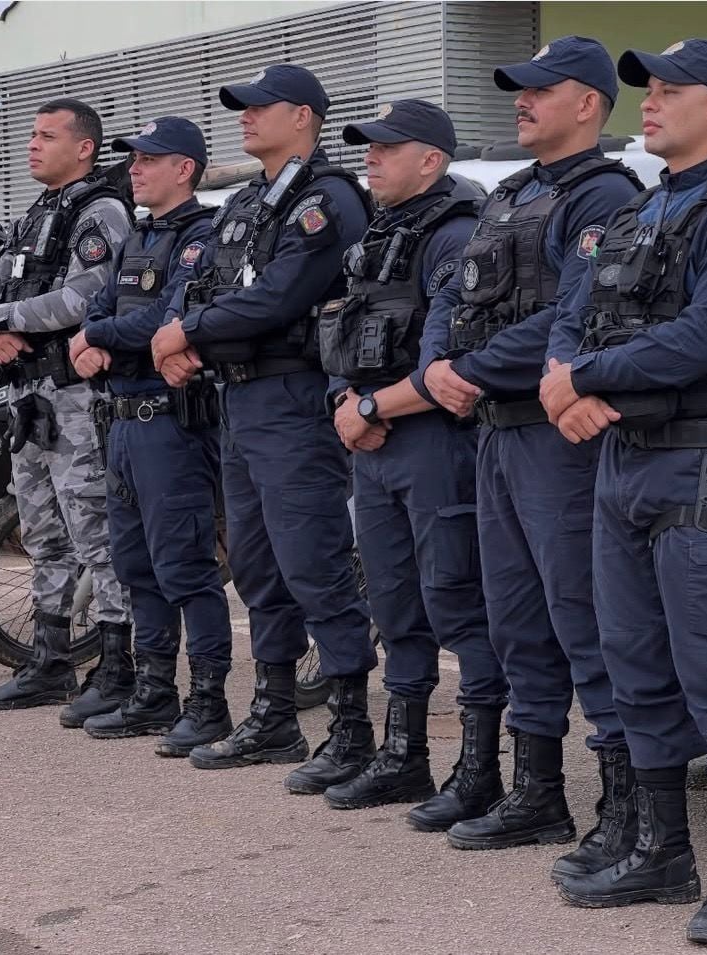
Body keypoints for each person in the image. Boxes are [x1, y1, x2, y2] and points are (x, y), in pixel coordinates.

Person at [541, 40, 707, 946]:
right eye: (647, 90)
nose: (649, 103)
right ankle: (662, 848)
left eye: (672, 91)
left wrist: (583, 377)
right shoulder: (638, 210)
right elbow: (573, 310)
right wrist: (563, 373)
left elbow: (701, 340)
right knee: (635, 666)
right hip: (624, 464)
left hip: (699, 468)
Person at [418, 38, 644, 864]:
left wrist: (464, 372)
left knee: (586, 620)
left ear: (586, 103)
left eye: (538, 90)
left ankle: (626, 808)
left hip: (559, 441)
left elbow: (573, 319)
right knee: (515, 621)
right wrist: (434, 364)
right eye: (519, 89)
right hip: (497, 434)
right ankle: (536, 792)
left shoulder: (606, 197)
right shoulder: (510, 193)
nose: (521, 101)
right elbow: (449, 293)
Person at [151, 64, 379, 780]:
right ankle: (275, 714)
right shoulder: (248, 200)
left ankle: (351, 727)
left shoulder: (328, 199)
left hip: (294, 400)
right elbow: (196, 281)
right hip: (240, 400)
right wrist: (179, 335)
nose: (246, 117)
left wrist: (186, 333)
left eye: (260, 107)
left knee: (313, 561)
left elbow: (280, 297)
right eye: (242, 108)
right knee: (255, 563)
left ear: (304, 117)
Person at [313, 99, 509, 826]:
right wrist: (345, 399)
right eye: (367, 146)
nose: (371, 157)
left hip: (433, 444)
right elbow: (343, 331)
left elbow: (452, 364)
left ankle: (481, 766)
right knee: (395, 603)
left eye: (386, 147)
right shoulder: (380, 236)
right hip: (376, 441)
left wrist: (367, 410)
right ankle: (403, 755)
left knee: (457, 600)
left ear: (431, 160)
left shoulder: (456, 236)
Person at [66, 117, 231, 755]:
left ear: (183, 168)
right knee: (137, 566)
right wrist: (95, 334)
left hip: (172, 423)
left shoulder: (204, 235)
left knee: (186, 568)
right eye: (133, 159)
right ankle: (155, 690)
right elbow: (102, 306)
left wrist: (96, 339)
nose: (134, 168)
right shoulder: (141, 236)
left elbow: (169, 320)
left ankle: (209, 701)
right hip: (124, 423)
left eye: (147, 159)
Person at [0, 98, 135, 713]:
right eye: (31, 135)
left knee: (95, 531)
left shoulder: (102, 212)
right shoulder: (36, 213)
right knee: (40, 530)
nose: (32, 145)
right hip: (27, 393)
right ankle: (50, 660)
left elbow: (85, 297)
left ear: (84, 147)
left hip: (77, 395)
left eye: (46, 136)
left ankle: (118, 666)